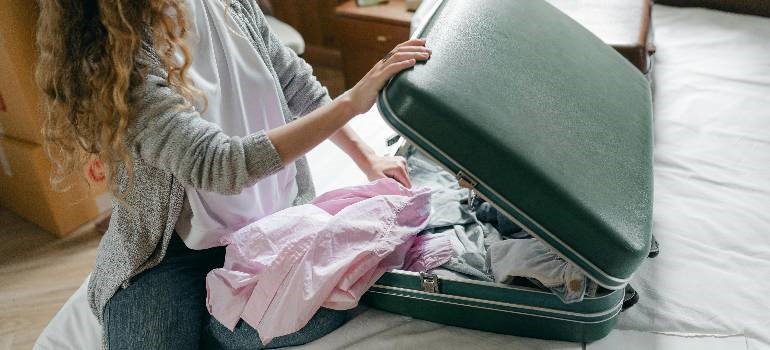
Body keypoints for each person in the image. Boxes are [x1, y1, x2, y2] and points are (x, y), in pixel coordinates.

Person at [35, 0, 431, 348]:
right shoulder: (110, 53)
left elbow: (295, 84)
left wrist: (368, 159)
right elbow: (217, 164)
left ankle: (215, 321)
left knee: (241, 333)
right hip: (170, 251)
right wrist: (350, 102)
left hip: (270, 222)